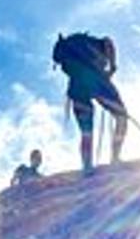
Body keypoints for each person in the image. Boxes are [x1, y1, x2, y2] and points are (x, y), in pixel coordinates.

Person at [51, 32, 127, 173]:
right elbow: (108, 42)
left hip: (76, 87)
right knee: (122, 117)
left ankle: (87, 166)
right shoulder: (92, 42)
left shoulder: (70, 46)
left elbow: (62, 64)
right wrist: (112, 67)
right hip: (97, 81)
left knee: (87, 131)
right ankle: (115, 157)